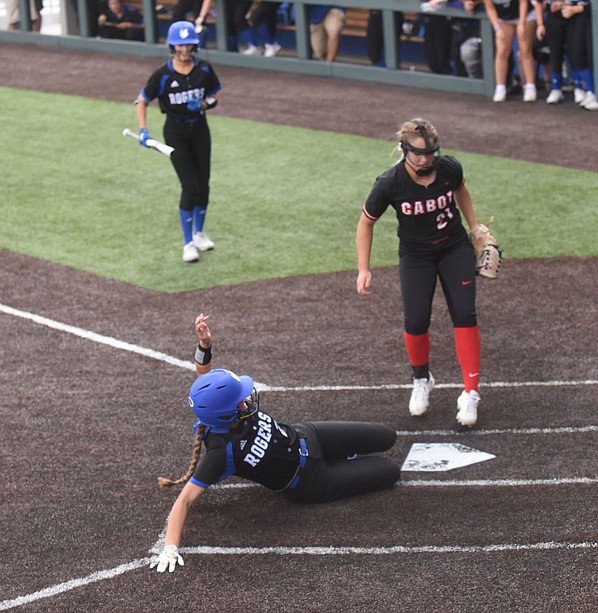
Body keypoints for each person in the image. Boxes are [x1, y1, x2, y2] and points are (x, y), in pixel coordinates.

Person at [149, 314, 400, 573]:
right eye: (239, 401)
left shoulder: (220, 405)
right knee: (389, 470)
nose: (245, 400)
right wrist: (170, 547)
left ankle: (343, 458)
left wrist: (204, 345)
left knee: (387, 435)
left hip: (311, 435)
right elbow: (184, 500)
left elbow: (207, 379)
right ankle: (343, 462)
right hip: (311, 482)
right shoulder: (220, 453)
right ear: (224, 414)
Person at [356, 118, 484, 428]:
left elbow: (461, 191)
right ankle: (421, 379)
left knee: (465, 314)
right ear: (404, 150)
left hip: (454, 248)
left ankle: (470, 393)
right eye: (417, 154)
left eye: (430, 153)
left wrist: (474, 226)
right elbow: (366, 222)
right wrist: (363, 269)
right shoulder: (390, 183)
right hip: (416, 255)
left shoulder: (449, 168)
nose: (424, 159)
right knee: (415, 321)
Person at [135, 21, 222, 263]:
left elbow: (214, 96)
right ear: (172, 47)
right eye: (179, 45)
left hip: (200, 129)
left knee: (203, 184)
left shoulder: (204, 70)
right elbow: (142, 100)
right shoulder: (162, 75)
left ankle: (200, 232)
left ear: (195, 46)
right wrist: (143, 130)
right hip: (175, 132)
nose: (184, 49)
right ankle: (188, 244)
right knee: (190, 186)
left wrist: (204, 105)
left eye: (188, 45)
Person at [543, 0, 598, 111]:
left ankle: (592, 92)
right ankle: (559, 89)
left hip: (583, 16)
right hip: (566, 14)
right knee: (564, 53)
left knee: (578, 54)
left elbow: (595, 4)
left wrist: (574, 8)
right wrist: (563, 4)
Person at [481, 0, 544, 102]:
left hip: (525, 15)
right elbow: (490, 8)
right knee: (502, 50)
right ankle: (500, 87)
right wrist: (497, 28)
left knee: (525, 50)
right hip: (504, 18)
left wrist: (522, 24)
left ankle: (530, 86)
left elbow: (523, 3)